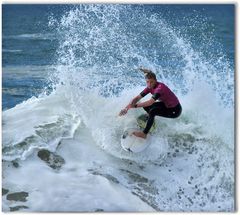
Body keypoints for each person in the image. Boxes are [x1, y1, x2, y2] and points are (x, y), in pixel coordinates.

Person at [119, 68, 182, 139]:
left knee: (152, 111)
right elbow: (137, 98)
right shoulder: (149, 87)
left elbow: (150, 102)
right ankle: (151, 121)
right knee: (146, 106)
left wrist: (135, 106)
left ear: (155, 80)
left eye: (151, 82)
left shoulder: (160, 88)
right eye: (147, 82)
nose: (149, 84)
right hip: (166, 105)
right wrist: (126, 108)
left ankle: (144, 134)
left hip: (175, 110)